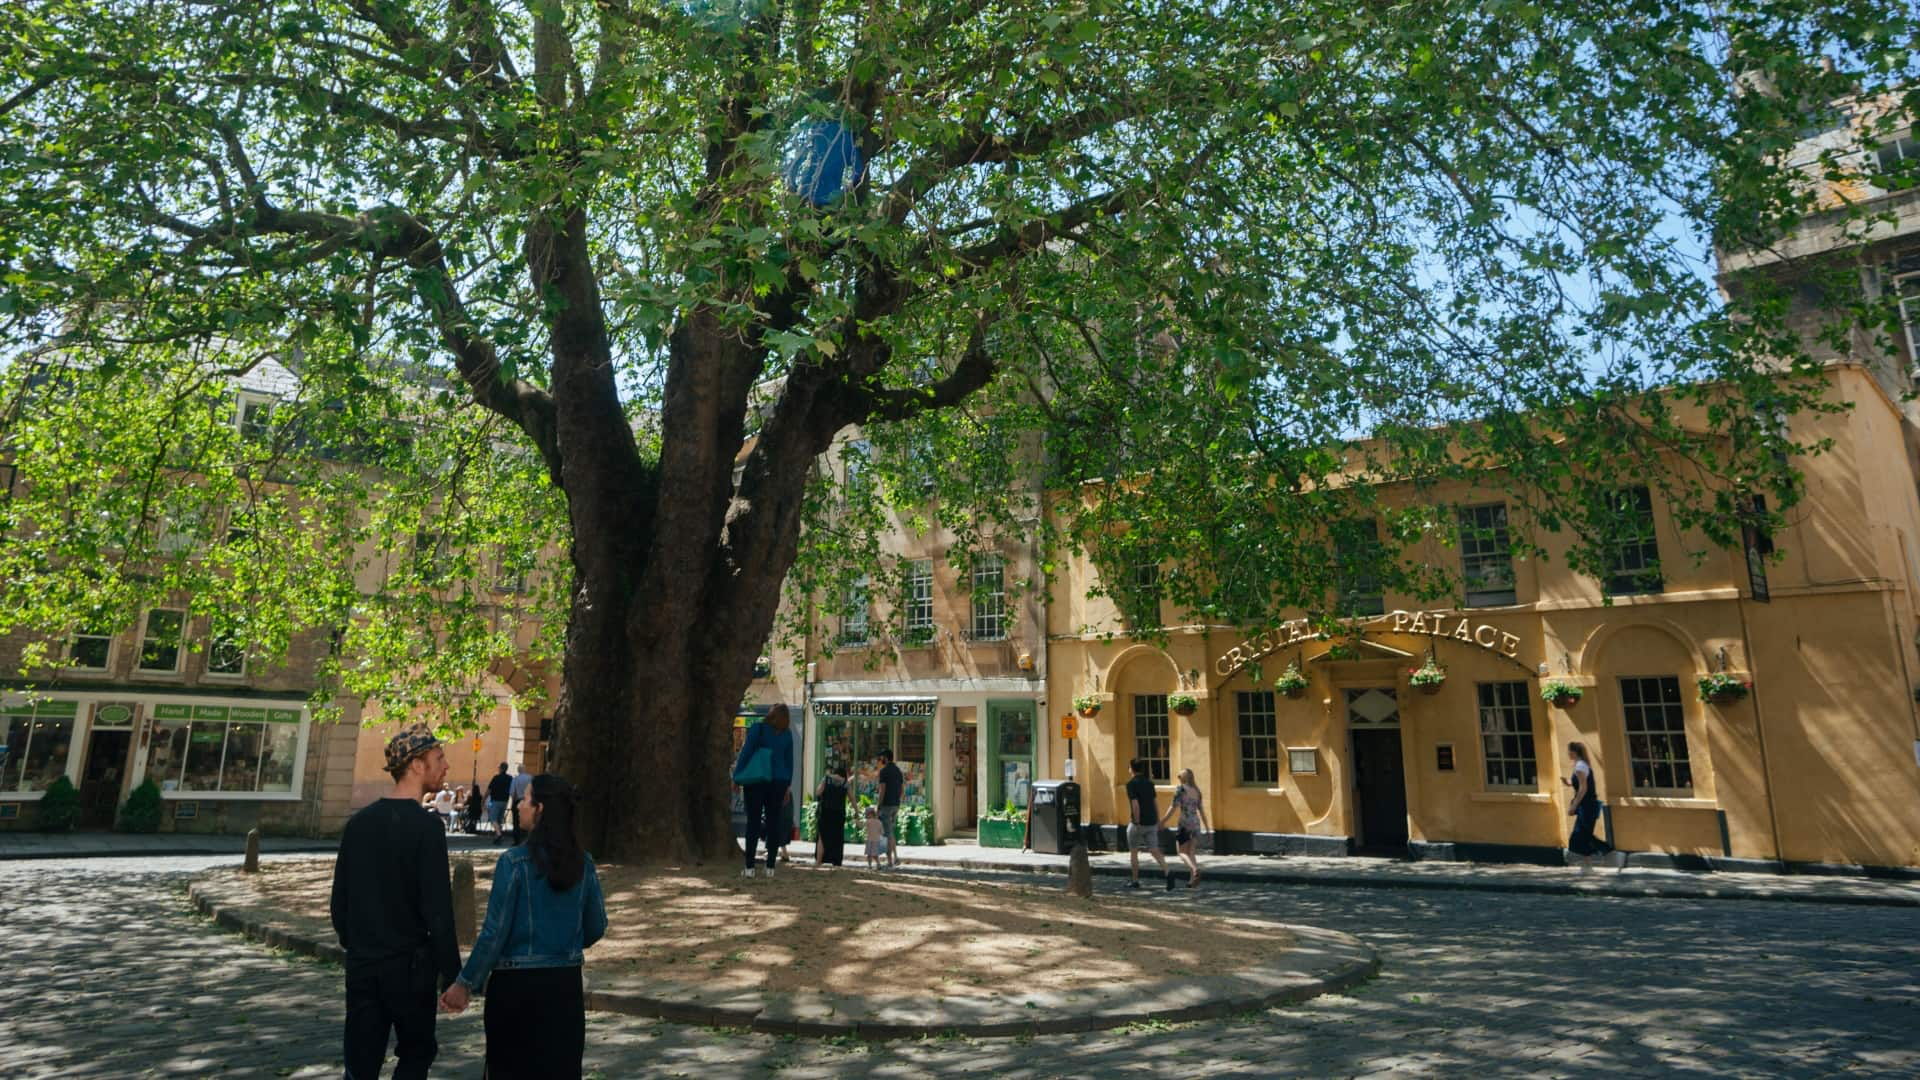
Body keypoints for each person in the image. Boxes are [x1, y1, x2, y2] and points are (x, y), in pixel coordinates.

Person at [440, 774, 607, 1080]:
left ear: (540, 808)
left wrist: (464, 983)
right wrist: (563, 941)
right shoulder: (583, 862)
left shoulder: (514, 863)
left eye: (526, 799)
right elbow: (596, 925)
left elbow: (494, 932)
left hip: (516, 989)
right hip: (564, 987)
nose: (519, 805)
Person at [329, 723, 462, 1080]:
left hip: (364, 964)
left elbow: (339, 901)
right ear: (416, 765)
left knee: (360, 1061)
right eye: (438, 757)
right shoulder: (427, 828)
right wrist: (453, 974)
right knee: (416, 1054)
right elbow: (438, 910)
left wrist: (358, 944)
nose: (446, 765)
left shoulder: (359, 824)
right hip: (410, 969)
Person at [735, 703, 794, 878]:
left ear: (771, 714)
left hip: (757, 779)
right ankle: (770, 868)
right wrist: (787, 786)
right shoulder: (787, 734)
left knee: (753, 822)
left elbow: (745, 753)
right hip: (779, 781)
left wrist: (737, 776)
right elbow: (789, 762)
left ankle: (750, 867)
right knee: (773, 822)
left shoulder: (758, 729)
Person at [1563, 741, 1617, 873]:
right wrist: (1569, 783)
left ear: (1573, 752)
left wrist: (1574, 805)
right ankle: (1587, 867)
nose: (1567, 753)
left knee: (1579, 836)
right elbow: (1581, 783)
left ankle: (1610, 853)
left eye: (1568, 751)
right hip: (1588, 805)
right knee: (1583, 835)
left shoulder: (1580, 767)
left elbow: (1583, 788)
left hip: (1586, 806)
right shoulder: (1582, 765)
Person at [1125, 757, 1175, 891]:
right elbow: (1154, 802)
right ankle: (1168, 872)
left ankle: (1135, 880)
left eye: (1129, 767)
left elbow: (1135, 804)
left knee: (1134, 852)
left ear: (1132, 769)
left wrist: (1136, 821)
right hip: (1152, 821)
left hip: (1138, 823)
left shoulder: (1131, 784)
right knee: (1154, 850)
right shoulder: (1149, 783)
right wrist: (1158, 820)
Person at [1160, 768, 1211, 889]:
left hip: (1185, 824)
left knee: (1181, 852)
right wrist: (1208, 828)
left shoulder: (1181, 789)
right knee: (1191, 852)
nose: (1179, 780)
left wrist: (1163, 821)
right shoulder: (1197, 791)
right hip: (1196, 823)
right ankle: (1192, 881)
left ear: (1182, 778)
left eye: (1179, 777)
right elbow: (1202, 811)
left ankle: (1194, 870)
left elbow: (1173, 807)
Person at [815, 765, 852, 868]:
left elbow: (818, 792)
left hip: (825, 812)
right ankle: (836, 862)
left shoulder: (826, 779)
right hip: (839, 813)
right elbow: (852, 798)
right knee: (837, 838)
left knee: (822, 837)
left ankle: (819, 861)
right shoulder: (845, 783)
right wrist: (857, 812)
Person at [875, 749, 904, 869]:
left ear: (885, 758)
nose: (879, 760)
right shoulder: (898, 771)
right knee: (891, 831)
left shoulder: (884, 771)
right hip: (895, 804)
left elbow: (882, 790)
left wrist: (878, 805)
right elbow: (902, 790)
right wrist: (898, 802)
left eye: (881, 758)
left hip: (886, 805)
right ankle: (895, 857)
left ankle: (890, 860)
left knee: (887, 834)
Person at [486, 762, 512, 843]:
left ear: (500, 768)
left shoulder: (496, 778)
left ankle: (499, 834)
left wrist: (483, 799)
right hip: (504, 801)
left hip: (495, 801)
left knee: (493, 818)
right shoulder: (510, 778)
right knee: (499, 820)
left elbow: (489, 790)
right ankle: (497, 837)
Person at [509, 763, 534, 843]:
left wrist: (513, 802)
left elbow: (512, 793)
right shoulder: (530, 778)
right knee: (530, 820)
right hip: (529, 801)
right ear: (525, 769)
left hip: (518, 800)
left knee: (516, 821)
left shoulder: (515, 779)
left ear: (518, 770)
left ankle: (517, 840)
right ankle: (528, 839)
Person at [863, 805, 887, 870]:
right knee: (875, 854)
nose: (866, 816)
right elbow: (882, 832)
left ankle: (870, 866)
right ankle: (878, 864)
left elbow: (861, 826)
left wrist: (856, 820)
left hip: (869, 840)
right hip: (876, 840)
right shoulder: (879, 822)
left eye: (866, 814)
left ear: (870, 814)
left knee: (869, 854)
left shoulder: (867, 821)